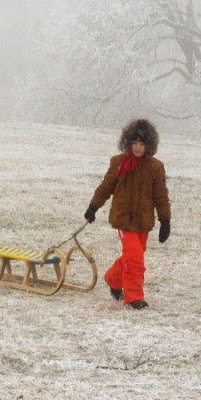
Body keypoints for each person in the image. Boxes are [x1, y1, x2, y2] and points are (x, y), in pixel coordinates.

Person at [84, 118, 171, 310]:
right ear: (128, 143)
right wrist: (93, 207)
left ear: (149, 145)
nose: (138, 148)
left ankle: (113, 279)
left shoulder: (156, 167)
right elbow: (106, 188)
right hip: (124, 220)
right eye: (135, 143)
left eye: (142, 144)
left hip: (143, 221)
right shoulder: (118, 163)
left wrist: (165, 221)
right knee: (134, 258)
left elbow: (161, 197)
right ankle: (133, 296)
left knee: (133, 256)